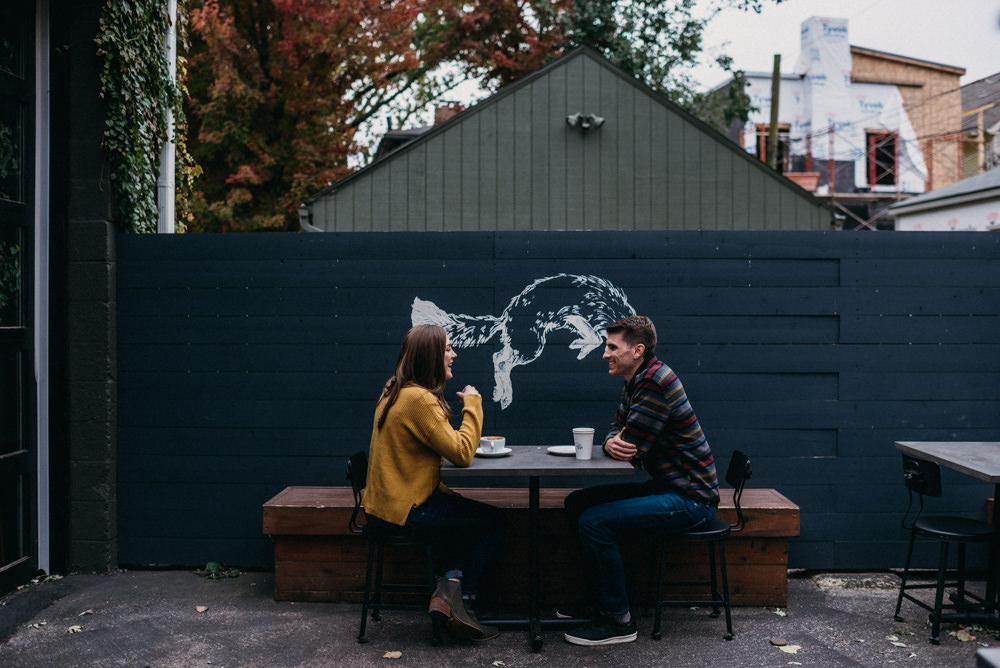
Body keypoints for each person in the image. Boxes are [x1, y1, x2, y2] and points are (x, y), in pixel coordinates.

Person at [562, 315, 719, 647]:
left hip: (691, 499)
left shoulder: (653, 382)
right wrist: (608, 440)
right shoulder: (637, 379)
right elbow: (617, 430)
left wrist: (614, 442)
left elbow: (630, 448)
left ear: (637, 349)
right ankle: (603, 600)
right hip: (670, 487)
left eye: (611, 347)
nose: (605, 354)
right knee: (577, 502)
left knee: (593, 522)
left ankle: (618, 620)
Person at [362, 324, 503, 642]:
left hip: (386, 506)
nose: (454, 354)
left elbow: (444, 445)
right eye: (448, 349)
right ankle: (463, 604)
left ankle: (448, 592)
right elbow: (463, 453)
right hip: (405, 512)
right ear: (430, 356)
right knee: (493, 521)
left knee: (458, 516)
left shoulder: (395, 388)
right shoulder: (418, 400)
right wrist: (473, 403)